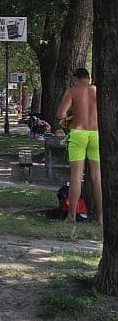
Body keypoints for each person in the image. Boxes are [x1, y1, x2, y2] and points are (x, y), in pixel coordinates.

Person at [56, 68, 103, 224]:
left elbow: (60, 114)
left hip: (78, 133)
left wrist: (73, 113)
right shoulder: (97, 90)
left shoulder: (72, 91)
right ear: (88, 78)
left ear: (75, 78)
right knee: (97, 177)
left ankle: (71, 216)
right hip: (96, 134)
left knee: (76, 177)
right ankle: (101, 217)